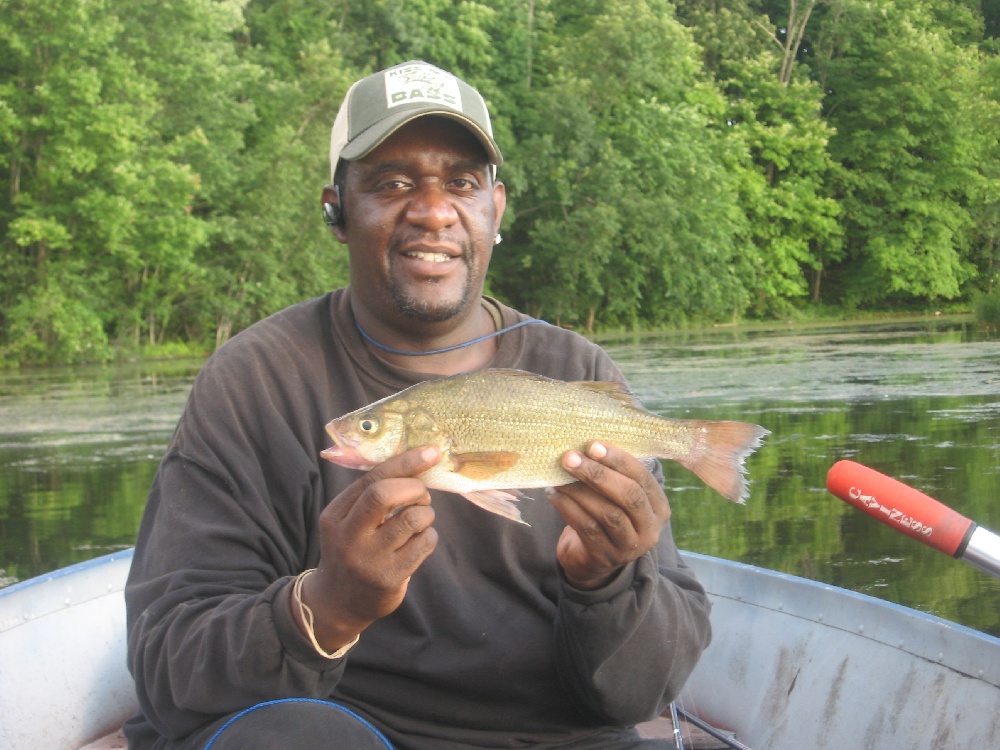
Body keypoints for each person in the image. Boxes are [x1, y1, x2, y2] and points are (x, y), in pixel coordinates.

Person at [124, 60, 712, 750]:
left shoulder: (576, 374)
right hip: (349, 731)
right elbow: (170, 670)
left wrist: (605, 582)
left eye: (462, 183)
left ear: (495, 209)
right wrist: (328, 607)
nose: (434, 212)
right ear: (336, 211)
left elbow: (641, 693)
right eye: (392, 182)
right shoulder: (256, 380)